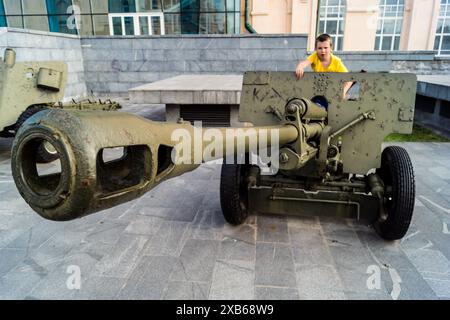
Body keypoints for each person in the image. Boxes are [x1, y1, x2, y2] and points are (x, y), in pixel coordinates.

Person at [295, 33, 352, 98]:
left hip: (333, 89)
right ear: (315, 49)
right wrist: (300, 67)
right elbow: (304, 63)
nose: (323, 51)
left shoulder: (336, 62)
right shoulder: (315, 56)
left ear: (331, 48)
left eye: (325, 48)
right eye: (320, 48)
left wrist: (343, 91)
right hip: (319, 88)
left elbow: (349, 79)